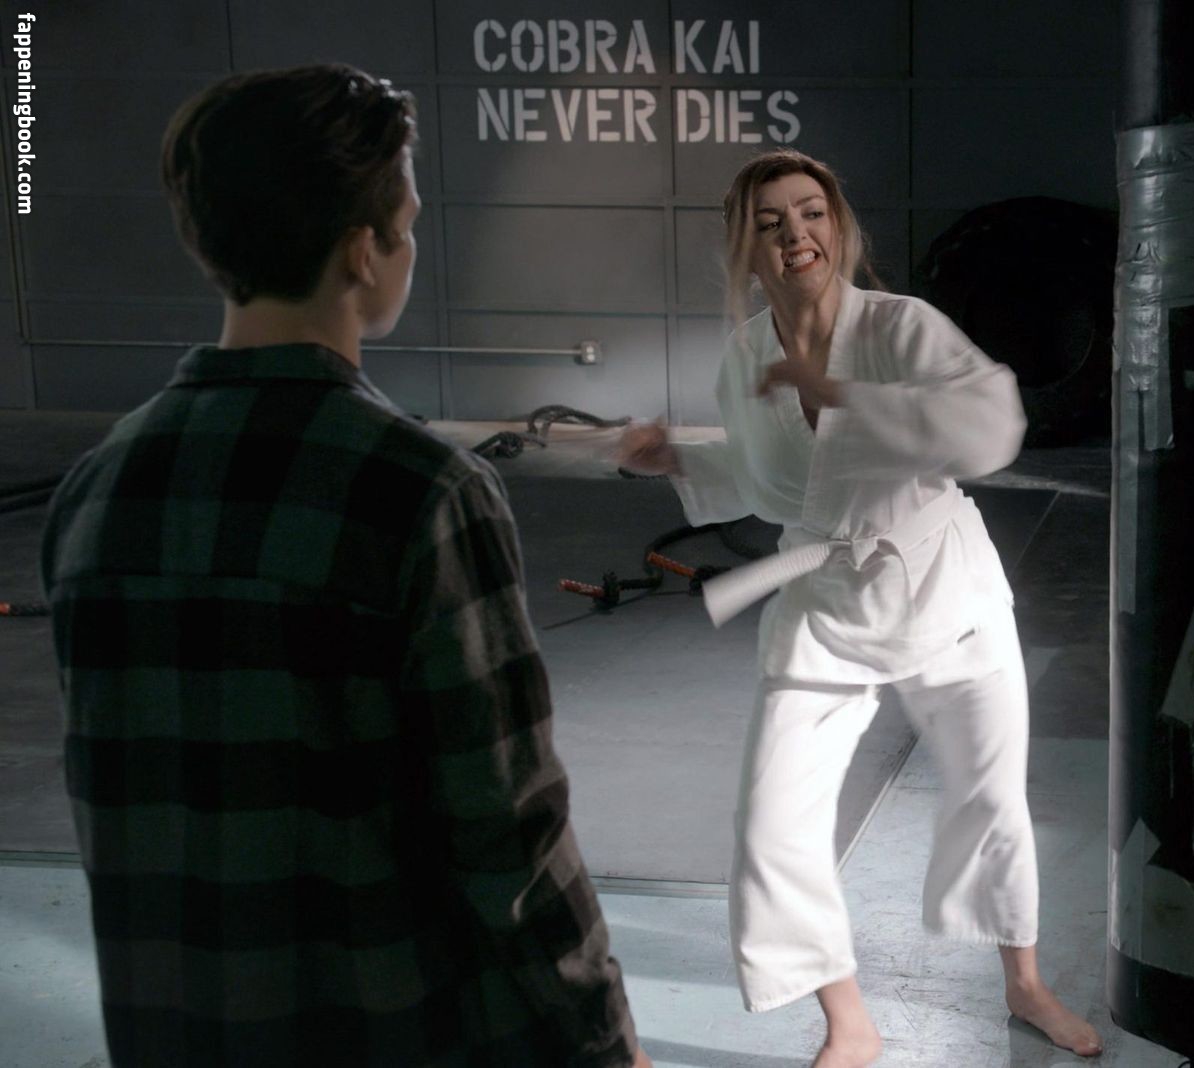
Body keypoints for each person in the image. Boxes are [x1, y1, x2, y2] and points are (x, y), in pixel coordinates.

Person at [40, 64, 648, 1068]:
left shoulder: (97, 491)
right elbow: (509, 832)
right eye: (405, 225)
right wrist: (607, 1040)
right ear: (363, 252)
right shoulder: (425, 495)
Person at [612, 148, 1101, 1068]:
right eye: (770, 223)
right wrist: (674, 458)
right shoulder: (746, 354)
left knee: (991, 796)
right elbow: (763, 477)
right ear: (746, 248)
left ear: (836, 226)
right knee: (772, 824)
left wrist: (841, 393)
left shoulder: (901, 326)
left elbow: (992, 427)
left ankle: (1026, 984)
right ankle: (850, 1021)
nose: (794, 235)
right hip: (827, 598)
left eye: (811, 213)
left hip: (941, 584)